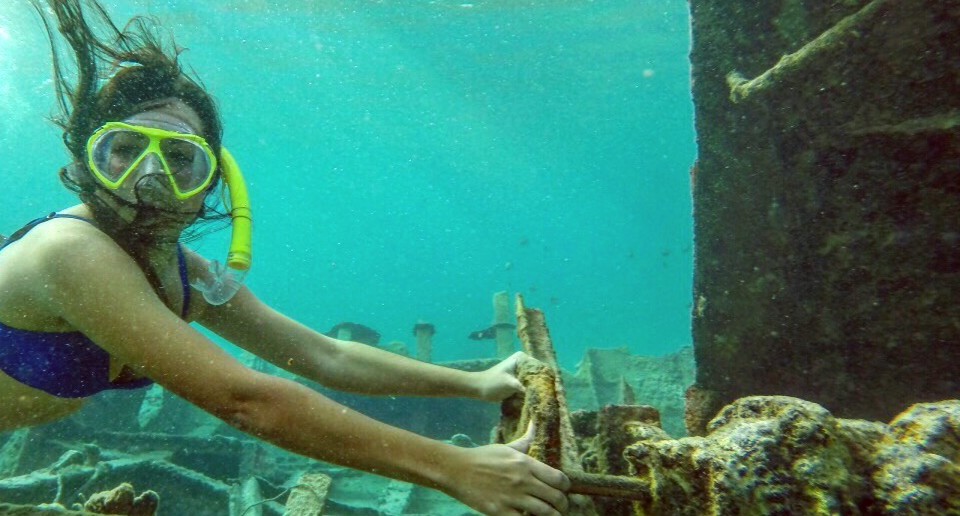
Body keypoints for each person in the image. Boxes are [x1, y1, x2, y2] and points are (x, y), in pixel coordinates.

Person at [0, 2, 570, 515]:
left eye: (179, 158)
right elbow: (245, 400)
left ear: (211, 184)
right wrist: (453, 467)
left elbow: (325, 356)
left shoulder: (186, 276)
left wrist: (470, 384)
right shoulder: (68, 252)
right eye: (122, 151)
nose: (148, 178)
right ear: (86, 161)